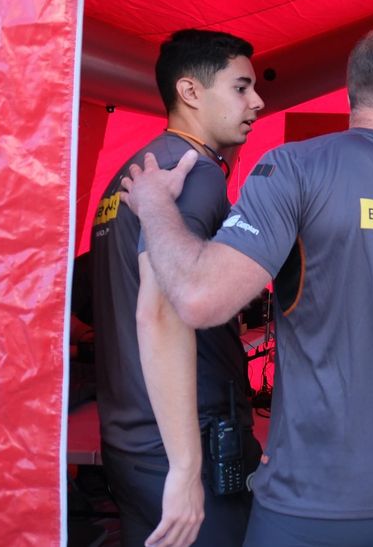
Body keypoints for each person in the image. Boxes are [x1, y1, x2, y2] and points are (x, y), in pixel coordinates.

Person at [118, 27, 373, 546]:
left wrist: (156, 206)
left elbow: (197, 297)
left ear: (353, 93)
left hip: (311, 503)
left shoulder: (296, 168)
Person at [89, 29, 264, 547]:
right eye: (241, 87)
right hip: (187, 442)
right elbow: (160, 313)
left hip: (131, 438)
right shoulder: (192, 174)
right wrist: (187, 469)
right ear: (190, 92)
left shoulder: (133, 172)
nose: (257, 101)